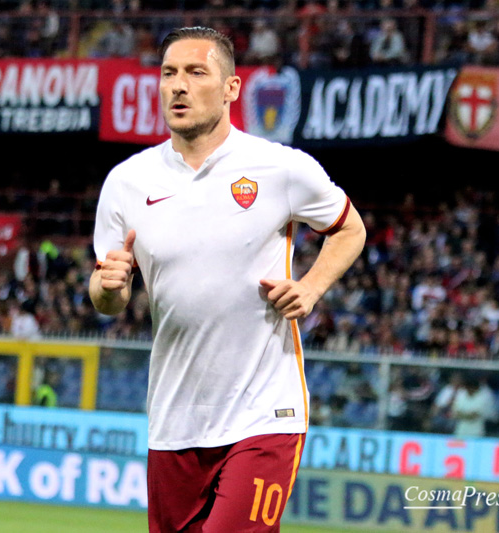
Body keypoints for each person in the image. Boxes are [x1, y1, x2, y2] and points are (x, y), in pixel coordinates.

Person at [90, 27, 366, 533]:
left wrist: (311, 286)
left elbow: (349, 227)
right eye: (169, 73)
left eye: (197, 73)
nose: (179, 86)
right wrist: (107, 287)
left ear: (232, 88)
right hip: (174, 419)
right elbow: (108, 297)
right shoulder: (127, 183)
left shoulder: (280, 168)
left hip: (265, 414)